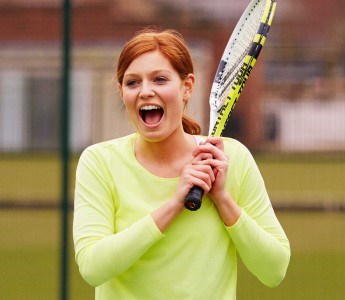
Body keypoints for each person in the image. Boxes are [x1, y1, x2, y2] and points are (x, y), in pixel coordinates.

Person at [73, 28, 291, 299]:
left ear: (187, 87)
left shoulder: (232, 160)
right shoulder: (99, 162)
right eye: (132, 83)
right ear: (121, 92)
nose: (145, 91)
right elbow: (93, 267)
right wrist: (174, 205)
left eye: (160, 79)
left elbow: (274, 270)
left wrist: (222, 198)